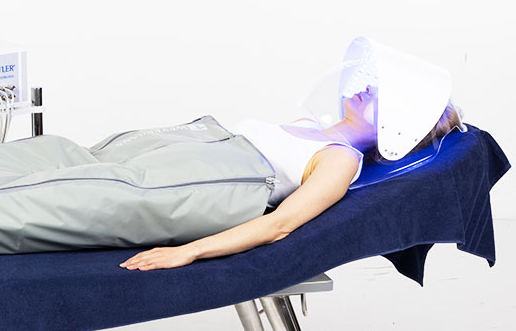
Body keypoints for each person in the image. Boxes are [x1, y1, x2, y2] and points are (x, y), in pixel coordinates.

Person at [120, 91, 462, 272]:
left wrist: (189, 251)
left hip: (179, 184)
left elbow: (279, 225)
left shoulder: (339, 160)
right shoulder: (309, 124)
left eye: (382, 96)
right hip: (167, 153)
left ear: (396, 128)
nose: (368, 88)